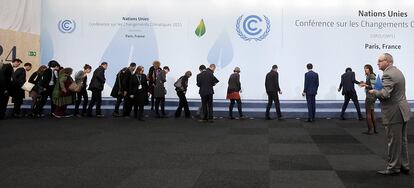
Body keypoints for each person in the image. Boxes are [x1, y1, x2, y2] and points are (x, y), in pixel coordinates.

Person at [369, 53, 410, 176]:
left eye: (380, 61)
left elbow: (385, 94)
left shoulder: (388, 74)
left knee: (393, 141)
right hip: (402, 110)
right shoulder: (398, 71)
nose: (377, 63)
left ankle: (393, 168)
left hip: (394, 112)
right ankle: (404, 165)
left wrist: (374, 91)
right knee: (401, 141)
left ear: (388, 61)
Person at [359, 64, 378, 135]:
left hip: (370, 96)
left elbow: (373, 86)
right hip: (371, 96)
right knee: (372, 113)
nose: (365, 70)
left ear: (370, 69)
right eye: (364, 68)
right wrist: (364, 84)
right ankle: (374, 129)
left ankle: (370, 130)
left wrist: (365, 85)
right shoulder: (369, 76)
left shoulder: (372, 76)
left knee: (368, 113)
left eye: (366, 68)